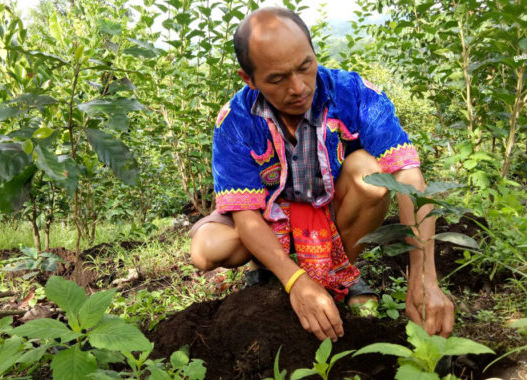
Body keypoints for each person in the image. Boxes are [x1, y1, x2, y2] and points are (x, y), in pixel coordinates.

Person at [189, 7, 454, 343]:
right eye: (277, 79)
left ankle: (337, 273)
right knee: (207, 249)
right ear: (249, 79)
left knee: (370, 176)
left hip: (327, 209)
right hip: (268, 216)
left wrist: (424, 277)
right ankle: (270, 265)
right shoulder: (235, 120)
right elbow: (246, 215)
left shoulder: (353, 93)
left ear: (314, 53)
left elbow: (407, 175)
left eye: (305, 67)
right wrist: (295, 281)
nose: (298, 87)